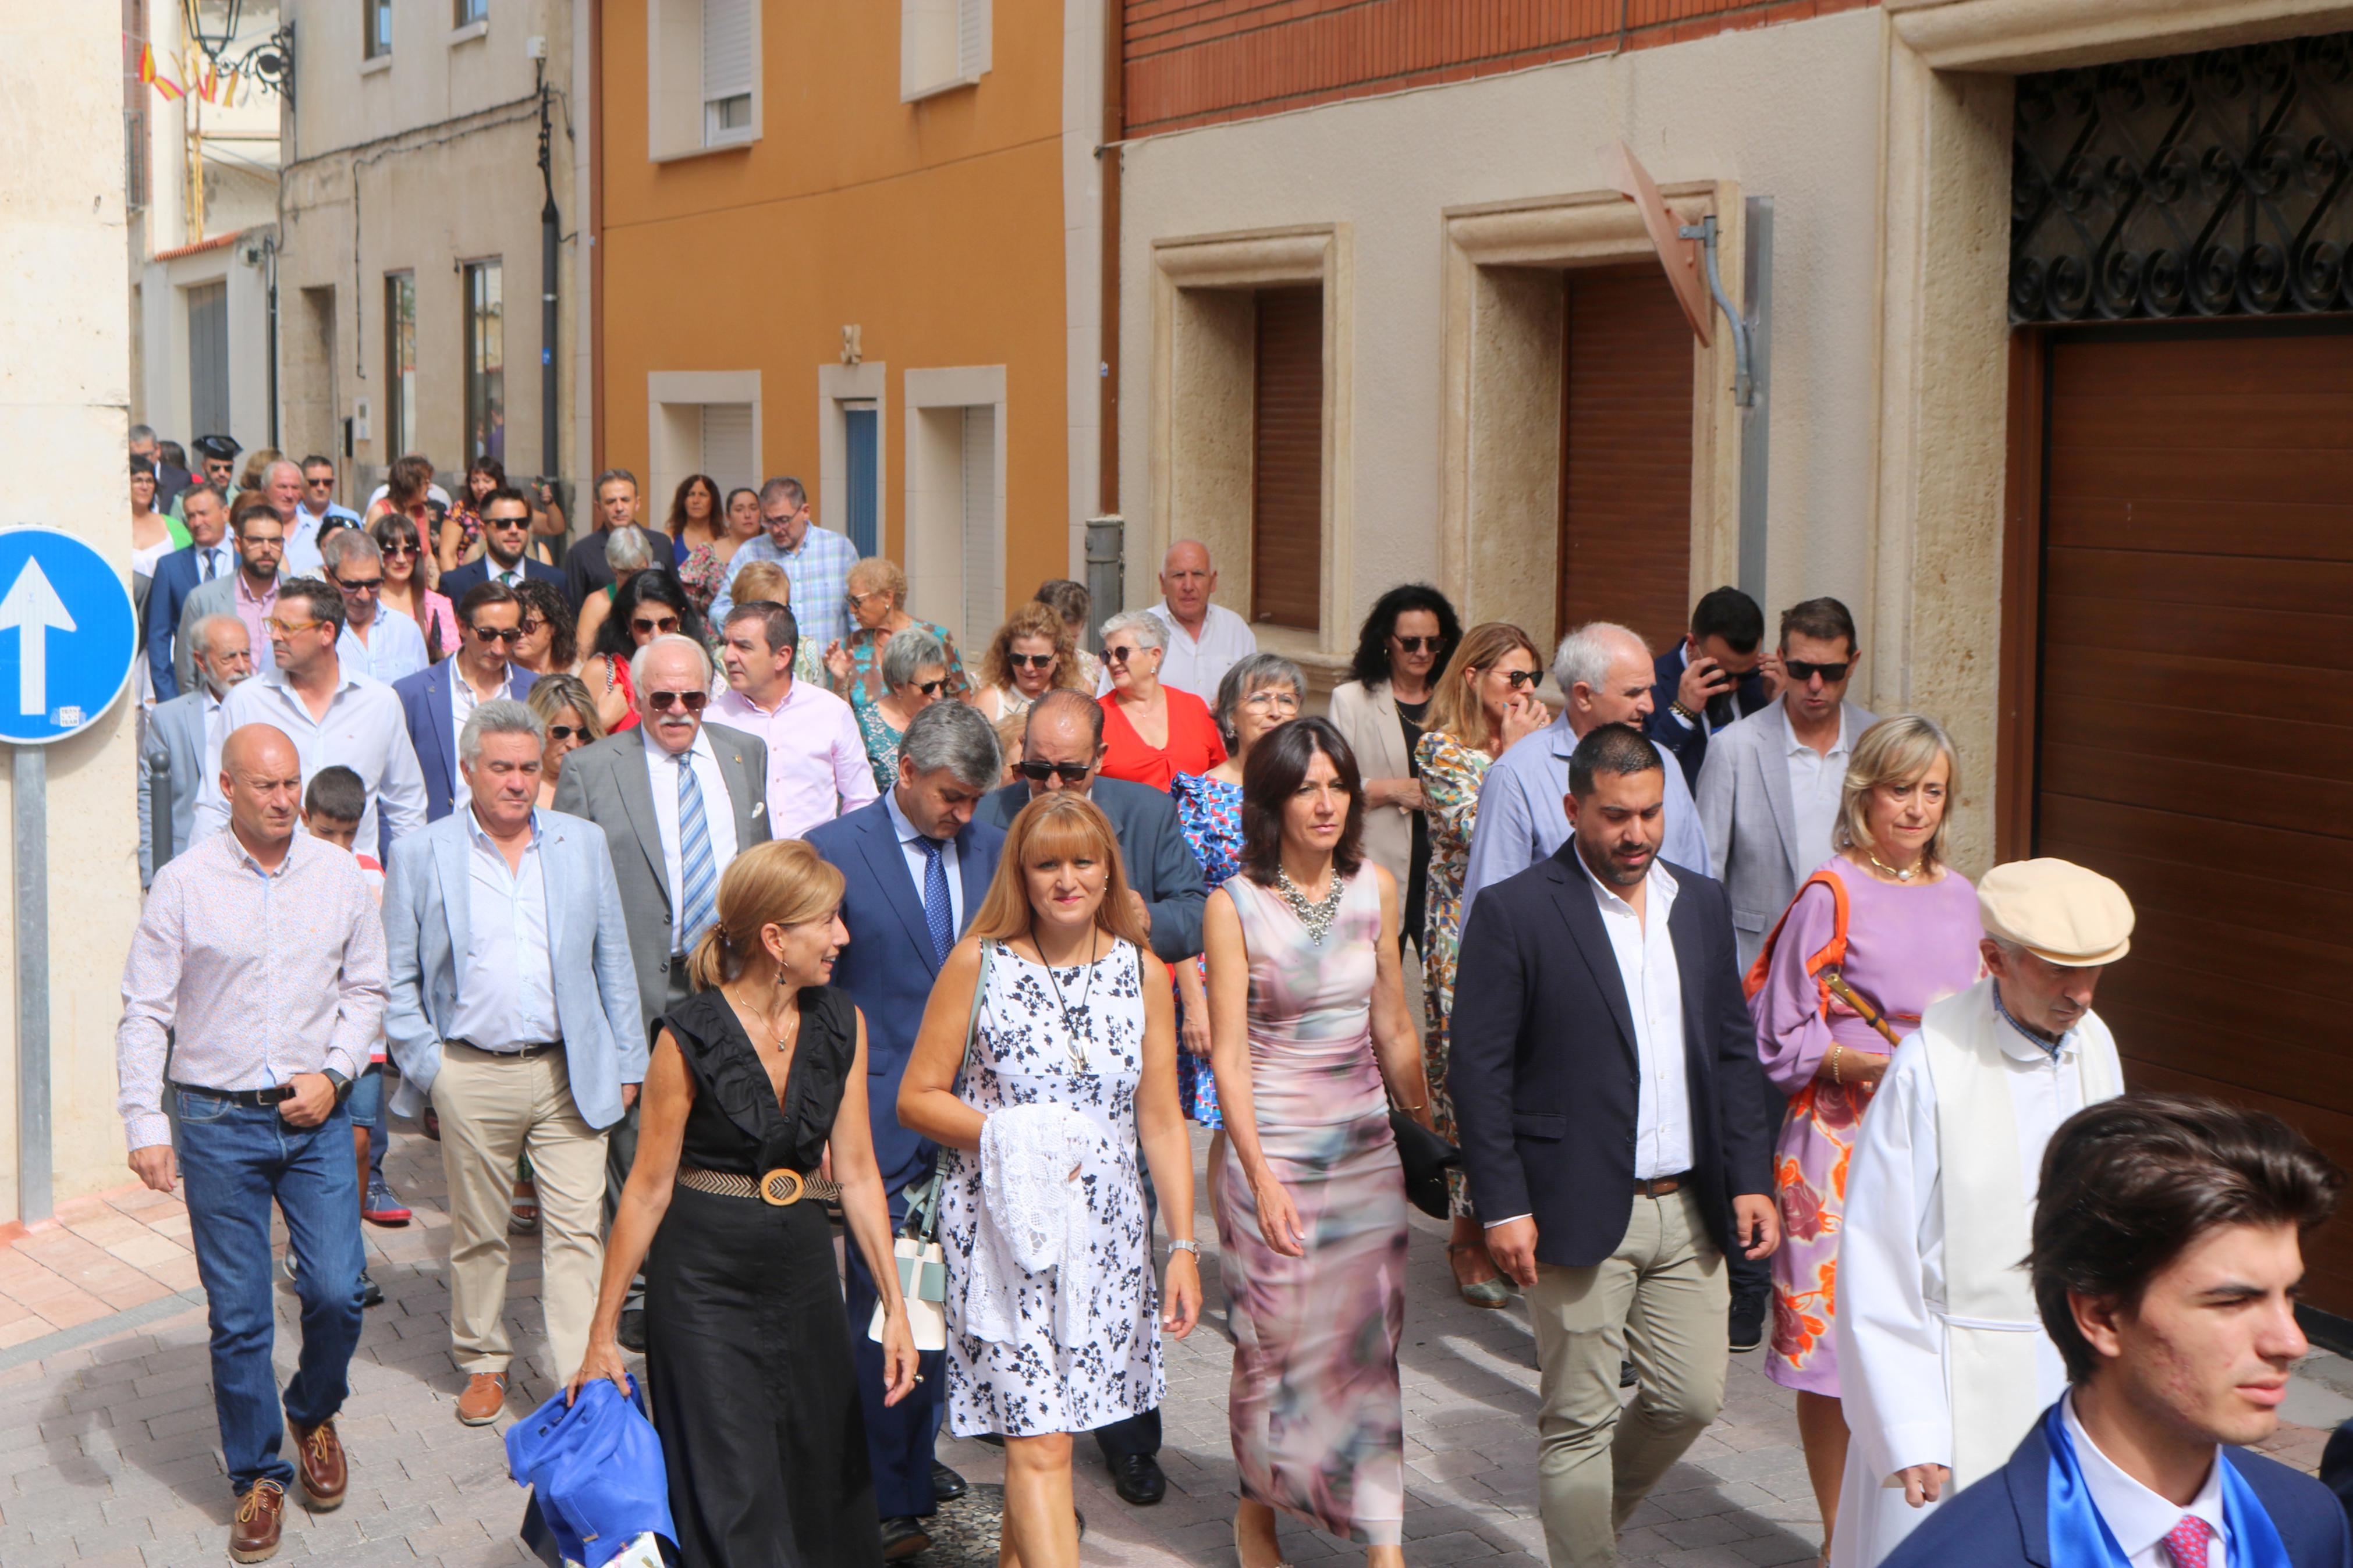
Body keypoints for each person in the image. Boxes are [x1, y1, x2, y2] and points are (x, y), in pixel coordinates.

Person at [1449, 724, 1779, 1568]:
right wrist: (1504, 1202)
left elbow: (1733, 1052)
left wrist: (1749, 1176)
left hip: (1689, 1207)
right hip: (1569, 1205)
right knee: (1577, 1420)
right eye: (1613, 816)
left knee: (1689, 1398)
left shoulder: (1698, 904)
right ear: (1572, 808)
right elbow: (1477, 1071)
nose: (1634, 834)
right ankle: (1584, 1547)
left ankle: (1584, 1523)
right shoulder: (1516, 910)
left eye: (1649, 814)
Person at [569, 840, 918, 1568]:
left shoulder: (839, 1021)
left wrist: (895, 1309)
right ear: (774, 939)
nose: (842, 938)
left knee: (815, 1471)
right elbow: (647, 1188)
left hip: (802, 1274)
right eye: (827, 922)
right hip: (702, 1281)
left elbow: (855, 1174)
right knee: (731, 1487)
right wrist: (601, 1334)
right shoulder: (688, 1036)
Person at [898, 792, 1202, 1568]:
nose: (1065, 879)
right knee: (1038, 1442)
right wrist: (1018, 1133)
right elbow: (916, 1096)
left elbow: (1162, 1118)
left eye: (1082, 860)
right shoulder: (981, 960)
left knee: (1056, 1434)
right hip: (997, 1235)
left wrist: (1184, 1245)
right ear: (1022, 875)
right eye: (1046, 863)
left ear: (1108, 870)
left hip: (1104, 1238)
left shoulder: (1143, 969)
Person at [115, 723, 385, 1564]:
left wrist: (337, 1074)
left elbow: (367, 986)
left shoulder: (339, 875)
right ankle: (258, 1475)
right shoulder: (184, 882)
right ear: (227, 787)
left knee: (338, 1290)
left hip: (314, 1118)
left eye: (291, 784)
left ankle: (311, 1406)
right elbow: (147, 1008)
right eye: (265, 786)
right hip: (213, 1120)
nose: (283, 801)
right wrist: (144, 1122)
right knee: (238, 1317)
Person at [1880, 1094, 2351, 1568]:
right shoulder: (1959, 1556)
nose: (2291, 1341)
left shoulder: (2309, 1519)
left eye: (2288, 1295)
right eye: (2232, 1301)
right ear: (2102, 1318)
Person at [1831, 858, 2134, 1568]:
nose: (2081, 996)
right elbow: (1878, 1254)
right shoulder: (1929, 1065)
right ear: (1993, 958)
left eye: (2094, 972)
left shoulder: (2095, 1043)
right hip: (1951, 1378)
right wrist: (1908, 1427)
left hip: (2075, 1373)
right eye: (2059, 971)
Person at [1746, 716, 1983, 1555]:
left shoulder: (1962, 896)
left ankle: (1911, 1524)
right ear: (1863, 792)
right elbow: (1778, 1034)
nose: (1915, 808)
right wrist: (1865, 1062)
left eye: (1931, 790)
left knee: (1923, 1333)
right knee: (1833, 1353)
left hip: (1936, 1141)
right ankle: (1833, 1536)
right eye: (1899, 788)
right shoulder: (1830, 891)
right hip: (1837, 1144)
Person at [973, 685, 1215, 1507]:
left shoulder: (1145, 814)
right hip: (1017, 1110)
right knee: (1033, 1437)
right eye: (1032, 768)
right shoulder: (991, 817)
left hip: (1114, 1097)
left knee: (1118, 1282)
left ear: (1101, 761)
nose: (1046, 786)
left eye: (1066, 770)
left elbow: (1195, 908)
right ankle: (1036, 1444)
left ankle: (1129, 1441)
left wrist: (1150, 922)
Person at [381, 699, 645, 1427]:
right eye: (501, 768)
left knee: (575, 1228)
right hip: (472, 1070)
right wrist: (432, 1067)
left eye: (530, 768)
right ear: (468, 771)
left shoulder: (580, 842)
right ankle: (483, 1360)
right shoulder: (421, 853)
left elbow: (611, 958)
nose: (518, 782)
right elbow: (396, 978)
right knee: (480, 1229)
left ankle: (576, 1372)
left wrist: (627, 1057)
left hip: (570, 1069)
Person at [1201, 719, 1428, 1565]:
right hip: (1272, 1151)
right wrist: (1257, 1175)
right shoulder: (1234, 904)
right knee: (1273, 1344)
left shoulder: (1375, 884)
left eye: (1337, 783)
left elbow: (1393, 1022)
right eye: (1306, 787)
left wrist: (1430, 1136)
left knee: (1367, 1347)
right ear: (1273, 801)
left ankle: (1381, 1540)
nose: (1326, 801)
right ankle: (1255, 1505)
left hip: (1363, 1149)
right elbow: (1226, 1056)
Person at [807, 701, 1006, 1558]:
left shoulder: (992, 850)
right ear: (908, 773)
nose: (963, 815)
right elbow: (813, 997)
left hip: (973, 1119)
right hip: (878, 1118)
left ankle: (912, 1461)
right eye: (952, 797)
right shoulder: (834, 850)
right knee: (889, 1304)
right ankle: (886, 1493)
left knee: (948, 1303)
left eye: (974, 800)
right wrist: (819, 1117)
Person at [554, 633, 771, 1349]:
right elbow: (574, 884)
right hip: (635, 977)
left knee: (728, 1121)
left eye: (693, 697)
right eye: (661, 699)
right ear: (638, 697)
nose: (678, 711)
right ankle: (643, 1285)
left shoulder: (744, 754)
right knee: (636, 1132)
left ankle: (715, 1265)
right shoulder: (593, 767)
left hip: (725, 973)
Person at [1413, 622, 1550, 1307]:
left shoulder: (1545, 745)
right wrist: (1517, 756)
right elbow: (1482, 827)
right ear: (1472, 677)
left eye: (1532, 678)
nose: (1526, 691)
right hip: (1462, 935)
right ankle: (1465, 1232)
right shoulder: (1440, 750)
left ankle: (1522, 1218)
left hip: (1535, 929)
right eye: (1512, 677)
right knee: (1466, 1078)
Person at [1457, 620, 1708, 932]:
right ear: (1584, 695)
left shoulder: (1666, 764)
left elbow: (1699, 888)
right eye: (1634, 693)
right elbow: (1490, 916)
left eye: (1650, 690)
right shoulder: (1517, 774)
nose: (1649, 705)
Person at [1167, 655, 1303, 1196]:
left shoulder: (1311, 790)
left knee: (1287, 1110)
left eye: (1287, 699)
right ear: (1229, 716)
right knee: (1234, 1116)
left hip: (1294, 972)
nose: (1275, 711)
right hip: (1224, 979)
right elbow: (1181, 902)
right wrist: (1194, 1001)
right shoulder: (1202, 796)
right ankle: (1238, 1243)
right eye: (1260, 698)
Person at [1697, 596, 1881, 972]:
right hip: (1760, 966)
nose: (1815, 685)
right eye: (1801, 669)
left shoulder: (1878, 743)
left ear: (1853, 664)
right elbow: (1705, 876)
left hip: (1859, 961)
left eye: (1830, 672)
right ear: (1780, 658)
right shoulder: (1734, 748)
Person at [196, 578, 430, 856]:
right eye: (273, 625)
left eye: (287, 628)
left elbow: (407, 806)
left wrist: (403, 887)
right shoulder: (246, 702)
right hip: (268, 885)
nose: (275, 637)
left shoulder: (380, 703)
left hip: (353, 885)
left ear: (327, 632)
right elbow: (215, 803)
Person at [297, 766, 402, 1293]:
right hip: (307, 1034)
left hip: (363, 1036)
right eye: (325, 832)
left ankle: (348, 1256)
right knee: (313, 1147)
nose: (338, 845)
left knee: (358, 1145)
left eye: (348, 833)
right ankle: (314, 1249)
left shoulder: (372, 873)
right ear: (303, 820)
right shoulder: (289, 872)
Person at [1327, 584, 1461, 963]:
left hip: (1443, 869)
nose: (1422, 652)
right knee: (1371, 984)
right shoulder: (1351, 700)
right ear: (1387, 641)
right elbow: (1333, 789)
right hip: (1377, 864)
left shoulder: (1456, 703)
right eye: (1410, 642)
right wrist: (1396, 791)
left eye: (1433, 643)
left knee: (1450, 993)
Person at [709, 599, 879, 840]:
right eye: (726, 644)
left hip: (817, 867)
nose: (728, 656)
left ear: (782, 656)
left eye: (743, 647)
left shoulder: (831, 712)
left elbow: (861, 800)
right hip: (745, 872)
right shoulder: (712, 720)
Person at [392, 581, 538, 820]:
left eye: (509, 636)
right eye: (486, 635)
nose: (499, 648)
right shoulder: (412, 694)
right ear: (461, 625)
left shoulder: (535, 691)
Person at [141, 614, 254, 887]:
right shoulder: (170, 718)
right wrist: (152, 875)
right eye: (229, 658)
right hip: (191, 866)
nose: (241, 667)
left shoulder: (268, 710)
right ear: (201, 661)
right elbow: (149, 800)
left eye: (246, 655)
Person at [711, 476, 861, 645]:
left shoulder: (839, 549)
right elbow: (719, 610)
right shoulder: (750, 553)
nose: (776, 529)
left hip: (830, 666)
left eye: (783, 520)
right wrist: (745, 626)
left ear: (805, 512)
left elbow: (858, 614)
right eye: (768, 521)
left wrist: (858, 660)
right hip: (771, 668)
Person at [1648, 586, 1773, 789]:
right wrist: (1682, 714)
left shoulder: (1764, 686)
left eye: (1745, 674)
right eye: (1722, 675)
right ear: (1692, 645)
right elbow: (1640, 775)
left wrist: (1781, 709)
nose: (1733, 685)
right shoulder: (1650, 687)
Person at [1098, 610, 1228, 791]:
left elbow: (1220, 775)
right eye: (1106, 655)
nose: (1112, 663)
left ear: (1155, 655)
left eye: (1121, 653)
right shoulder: (1096, 715)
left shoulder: (1194, 707)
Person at [824, 556, 971, 706]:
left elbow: (963, 702)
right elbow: (840, 712)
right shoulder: (852, 647)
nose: (852, 610)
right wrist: (839, 682)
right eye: (850, 602)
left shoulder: (936, 638)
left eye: (857, 602)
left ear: (888, 597)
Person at [175, 493, 285, 693]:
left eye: (275, 541)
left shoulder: (300, 596)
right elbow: (188, 676)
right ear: (238, 544)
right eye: (256, 541)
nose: (267, 549)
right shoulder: (203, 599)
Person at [581, 568, 703, 734]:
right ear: (627, 623)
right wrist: (601, 723)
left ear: (680, 619)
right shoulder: (602, 672)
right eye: (643, 626)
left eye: (666, 624)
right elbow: (568, 748)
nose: (656, 635)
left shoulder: (700, 668)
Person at [144, 483, 236, 699]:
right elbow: (159, 637)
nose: (197, 523)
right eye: (191, 517)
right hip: (192, 689)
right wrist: (168, 696)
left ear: (225, 513)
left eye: (203, 514)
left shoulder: (245, 560)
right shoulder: (170, 567)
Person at [1135, 540, 1257, 699]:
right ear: (1163, 583)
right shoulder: (1138, 631)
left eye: (1198, 575)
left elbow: (1255, 696)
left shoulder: (1235, 629)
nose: (1188, 586)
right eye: (1179, 575)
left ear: (1213, 582)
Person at [853, 627, 953, 794]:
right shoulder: (863, 726)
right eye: (928, 687)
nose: (938, 694)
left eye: (943, 683)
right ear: (899, 686)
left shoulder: (948, 719)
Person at [322, 529, 430, 684]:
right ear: (329, 577)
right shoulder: (317, 633)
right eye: (352, 586)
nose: (364, 596)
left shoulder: (407, 631)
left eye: (373, 584)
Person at [971, 599, 1088, 723]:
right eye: (1018, 659)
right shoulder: (991, 701)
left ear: (1059, 655)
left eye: (1040, 661)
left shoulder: (1078, 694)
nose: (1028, 668)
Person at [441, 486, 566, 601]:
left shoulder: (554, 581)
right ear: (484, 530)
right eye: (503, 523)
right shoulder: (455, 584)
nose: (514, 530)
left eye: (521, 523)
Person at [725, 559, 829, 686]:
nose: (779, 618)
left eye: (784, 609)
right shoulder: (725, 658)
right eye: (769, 613)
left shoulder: (807, 650)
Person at [373, 513, 459, 662]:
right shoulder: (368, 602)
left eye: (409, 550)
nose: (401, 560)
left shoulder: (438, 604)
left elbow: (452, 658)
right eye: (391, 552)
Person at [571, 524, 659, 656]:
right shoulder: (597, 604)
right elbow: (582, 659)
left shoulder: (661, 597)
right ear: (613, 569)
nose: (632, 579)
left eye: (638, 571)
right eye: (625, 572)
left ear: (649, 564)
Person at [563, 468, 643, 607]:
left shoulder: (661, 544)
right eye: (611, 502)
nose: (619, 508)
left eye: (625, 500)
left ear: (637, 503)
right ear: (598, 507)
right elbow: (572, 611)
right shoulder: (581, 553)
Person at [678, 485, 764, 613]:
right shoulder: (706, 553)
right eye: (739, 510)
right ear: (728, 517)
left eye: (753, 508)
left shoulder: (772, 551)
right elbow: (684, 599)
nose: (747, 515)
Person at [527, 673, 605, 809]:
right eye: (561, 732)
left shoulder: (602, 785)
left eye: (583, 733)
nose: (573, 744)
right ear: (537, 728)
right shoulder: (518, 787)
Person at [289, 454, 364, 577]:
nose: (321, 488)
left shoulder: (350, 518)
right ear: (302, 483)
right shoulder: (291, 517)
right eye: (314, 482)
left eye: (327, 482)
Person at [434, 455, 504, 574]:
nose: (480, 487)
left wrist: (547, 503)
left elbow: (547, 526)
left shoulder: (509, 507)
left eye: (487, 481)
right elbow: (447, 554)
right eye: (475, 482)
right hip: (468, 577)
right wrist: (454, 585)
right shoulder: (461, 510)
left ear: (498, 482)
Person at [1034, 578, 1104, 691]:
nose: (1063, 644)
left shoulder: (1092, 670)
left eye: (1073, 637)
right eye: (1056, 636)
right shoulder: (1021, 665)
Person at [169, 432, 243, 522]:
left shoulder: (243, 499)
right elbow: (176, 533)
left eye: (228, 468)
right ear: (204, 467)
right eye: (216, 468)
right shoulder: (182, 500)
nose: (222, 473)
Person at [511, 577, 576, 677]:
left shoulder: (576, 672)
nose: (520, 633)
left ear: (554, 627)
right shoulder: (502, 674)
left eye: (529, 626)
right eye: (515, 625)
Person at [659, 471, 724, 567]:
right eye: (691, 494)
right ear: (683, 501)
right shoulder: (670, 537)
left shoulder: (723, 536)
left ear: (713, 501)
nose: (696, 501)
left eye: (703, 495)